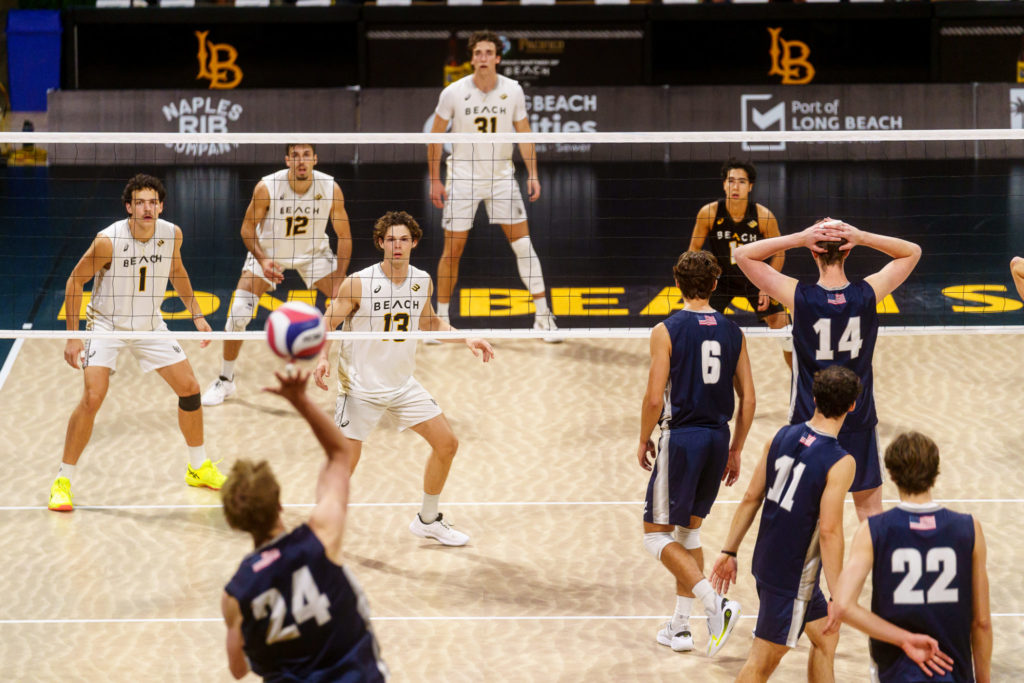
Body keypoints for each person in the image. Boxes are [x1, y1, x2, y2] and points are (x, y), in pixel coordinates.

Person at [314, 210, 494, 547]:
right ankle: (322, 528)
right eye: (391, 240)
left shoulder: (421, 280)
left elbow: (431, 323)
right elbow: (328, 321)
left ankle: (428, 520)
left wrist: (466, 337)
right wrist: (322, 357)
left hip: (401, 385)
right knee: (345, 463)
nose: (398, 246)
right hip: (360, 388)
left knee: (447, 444)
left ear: (413, 243)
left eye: (404, 240)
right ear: (381, 242)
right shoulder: (359, 282)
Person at [48, 174, 224, 512]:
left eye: (153, 202)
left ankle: (198, 466)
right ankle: (62, 480)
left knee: (190, 389)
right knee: (92, 397)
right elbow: (74, 282)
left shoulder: (172, 234)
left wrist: (197, 315)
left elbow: (178, 271)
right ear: (129, 207)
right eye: (140, 202)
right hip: (106, 324)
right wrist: (72, 337)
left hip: (150, 324)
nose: (147, 208)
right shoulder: (108, 241)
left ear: (161, 205)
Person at [734, 220, 921, 521]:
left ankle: (812, 570)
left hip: (811, 419)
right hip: (857, 415)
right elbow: (912, 252)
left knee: (810, 512)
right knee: (870, 511)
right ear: (847, 253)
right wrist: (861, 236)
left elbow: (743, 255)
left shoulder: (799, 297)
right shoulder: (868, 293)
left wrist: (799, 237)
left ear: (813, 253)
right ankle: (874, 568)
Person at [221, 368, 389, 682]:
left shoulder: (237, 594)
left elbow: (238, 669)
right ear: (279, 503)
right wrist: (300, 400)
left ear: (234, 523)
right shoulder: (320, 539)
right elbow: (339, 454)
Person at [637, 249, 755, 656]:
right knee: (689, 532)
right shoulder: (734, 331)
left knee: (655, 536)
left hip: (682, 439)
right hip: (718, 437)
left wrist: (642, 437)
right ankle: (681, 627)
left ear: (677, 284)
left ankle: (716, 605)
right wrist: (736, 448)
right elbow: (750, 400)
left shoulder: (665, 330)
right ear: (716, 285)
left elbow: (655, 398)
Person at [710, 365, 859, 682]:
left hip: (767, 564)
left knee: (825, 639)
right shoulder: (840, 461)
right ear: (852, 405)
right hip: (793, 579)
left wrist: (729, 550)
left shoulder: (779, 436)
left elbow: (751, 496)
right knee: (760, 665)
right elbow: (830, 533)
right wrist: (838, 596)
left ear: (813, 397)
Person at [427, 29, 558, 341]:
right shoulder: (453, 92)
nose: (482, 58)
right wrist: (435, 179)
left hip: (501, 178)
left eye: (488, 53)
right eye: (477, 53)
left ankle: (543, 317)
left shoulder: (512, 90)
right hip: (462, 177)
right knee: (452, 250)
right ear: (472, 59)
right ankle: (440, 321)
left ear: (498, 58)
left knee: (523, 246)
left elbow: (524, 133)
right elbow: (434, 136)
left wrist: (533, 173)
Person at [832, 431, 992, 683]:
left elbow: (841, 606)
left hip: (895, 671)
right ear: (936, 473)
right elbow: (981, 622)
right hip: (954, 670)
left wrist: (904, 639)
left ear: (892, 475)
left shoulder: (874, 529)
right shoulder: (969, 528)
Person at [202, 143, 351, 406]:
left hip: (314, 254)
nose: (301, 161)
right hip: (270, 254)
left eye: (306, 155)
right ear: (287, 160)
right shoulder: (267, 187)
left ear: (315, 159)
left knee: (351, 307)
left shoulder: (330, 188)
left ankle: (354, 382)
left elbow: (345, 236)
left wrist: (339, 281)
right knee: (238, 312)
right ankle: (225, 381)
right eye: (295, 156)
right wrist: (262, 258)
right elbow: (247, 229)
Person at [689, 158, 792, 368]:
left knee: (782, 324)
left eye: (742, 181)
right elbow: (693, 250)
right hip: (720, 280)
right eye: (731, 180)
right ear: (724, 184)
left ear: (751, 186)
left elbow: (780, 252)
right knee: (696, 324)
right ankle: (694, 373)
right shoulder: (708, 213)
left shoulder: (764, 216)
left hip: (755, 278)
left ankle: (798, 375)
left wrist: (767, 285)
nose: (735, 186)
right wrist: (701, 280)